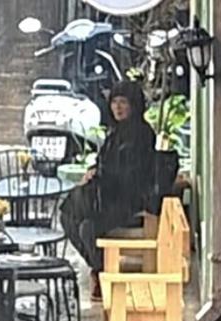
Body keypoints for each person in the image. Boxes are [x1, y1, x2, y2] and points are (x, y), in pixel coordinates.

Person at [59, 80, 157, 301]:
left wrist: (102, 176)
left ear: (134, 105)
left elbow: (132, 174)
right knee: (69, 217)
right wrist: (93, 171)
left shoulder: (142, 134)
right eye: (114, 102)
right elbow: (105, 162)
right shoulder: (115, 133)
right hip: (107, 198)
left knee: (86, 227)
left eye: (123, 102)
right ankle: (99, 269)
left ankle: (100, 272)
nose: (118, 108)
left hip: (128, 202)